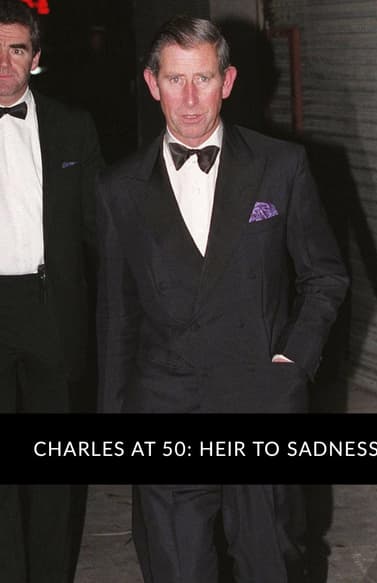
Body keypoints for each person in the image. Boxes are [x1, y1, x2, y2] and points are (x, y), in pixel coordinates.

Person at [97, 15, 349, 583]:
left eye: (203, 78)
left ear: (228, 81)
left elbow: (325, 276)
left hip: (260, 401)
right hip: (165, 407)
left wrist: (293, 361)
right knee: (176, 568)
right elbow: (117, 315)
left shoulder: (281, 166)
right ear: (152, 83)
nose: (190, 99)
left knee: (272, 563)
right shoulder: (118, 188)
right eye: (175, 79)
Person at [0, 1, 103, 582]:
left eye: (16, 49)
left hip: (51, 308)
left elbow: (99, 228)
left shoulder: (72, 125)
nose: (3, 63)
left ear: (35, 57)